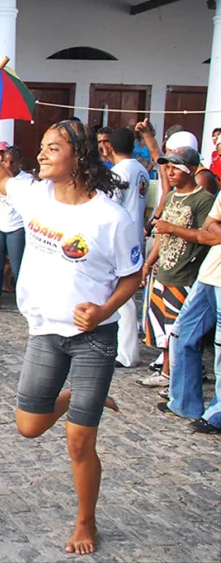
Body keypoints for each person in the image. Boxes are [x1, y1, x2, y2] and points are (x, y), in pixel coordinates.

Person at [0, 111, 142, 556]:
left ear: (80, 158)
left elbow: (131, 276)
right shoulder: (35, 196)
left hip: (93, 337)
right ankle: (78, 398)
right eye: (43, 147)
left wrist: (103, 309)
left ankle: (85, 520)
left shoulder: (110, 218)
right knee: (29, 426)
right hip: (45, 333)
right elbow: (1, 179)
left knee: (79, 441)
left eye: (53, 148)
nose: (41, 154)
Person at [139, 146, 213, 389]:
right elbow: (161, 233)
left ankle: (181, 376)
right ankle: (167, 370)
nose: (169, 172)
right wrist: (149, 262)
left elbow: (206, 236)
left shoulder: (203, 200)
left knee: (179, 328)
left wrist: (173, 229)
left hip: (185, 273)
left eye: (175, 168)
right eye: (167, 167)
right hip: (163, 269)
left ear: (190, 170)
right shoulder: (171, 197)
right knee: (161, 326)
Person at [153, 199, 221, 434]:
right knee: (181, 335)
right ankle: (184, 403)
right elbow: (206, 232)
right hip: (209, 276)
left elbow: (213, 230)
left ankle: (217, 415)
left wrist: (215, 230)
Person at [104, 127, 150, 367]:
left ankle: (127, 353)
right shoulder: (141, 169)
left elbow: (111, 207)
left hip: (122, 237)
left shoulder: (120, 172)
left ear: (110, 146)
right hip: (135, 233)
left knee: (123, 295)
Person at [0, 146, 29, 312]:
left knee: (17, 267)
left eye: (12, 162)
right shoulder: (0, 178)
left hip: (17, 226)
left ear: (19, 163)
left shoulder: (26, 180)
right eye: (5, 161)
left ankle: (24, 302)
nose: (8, 165)